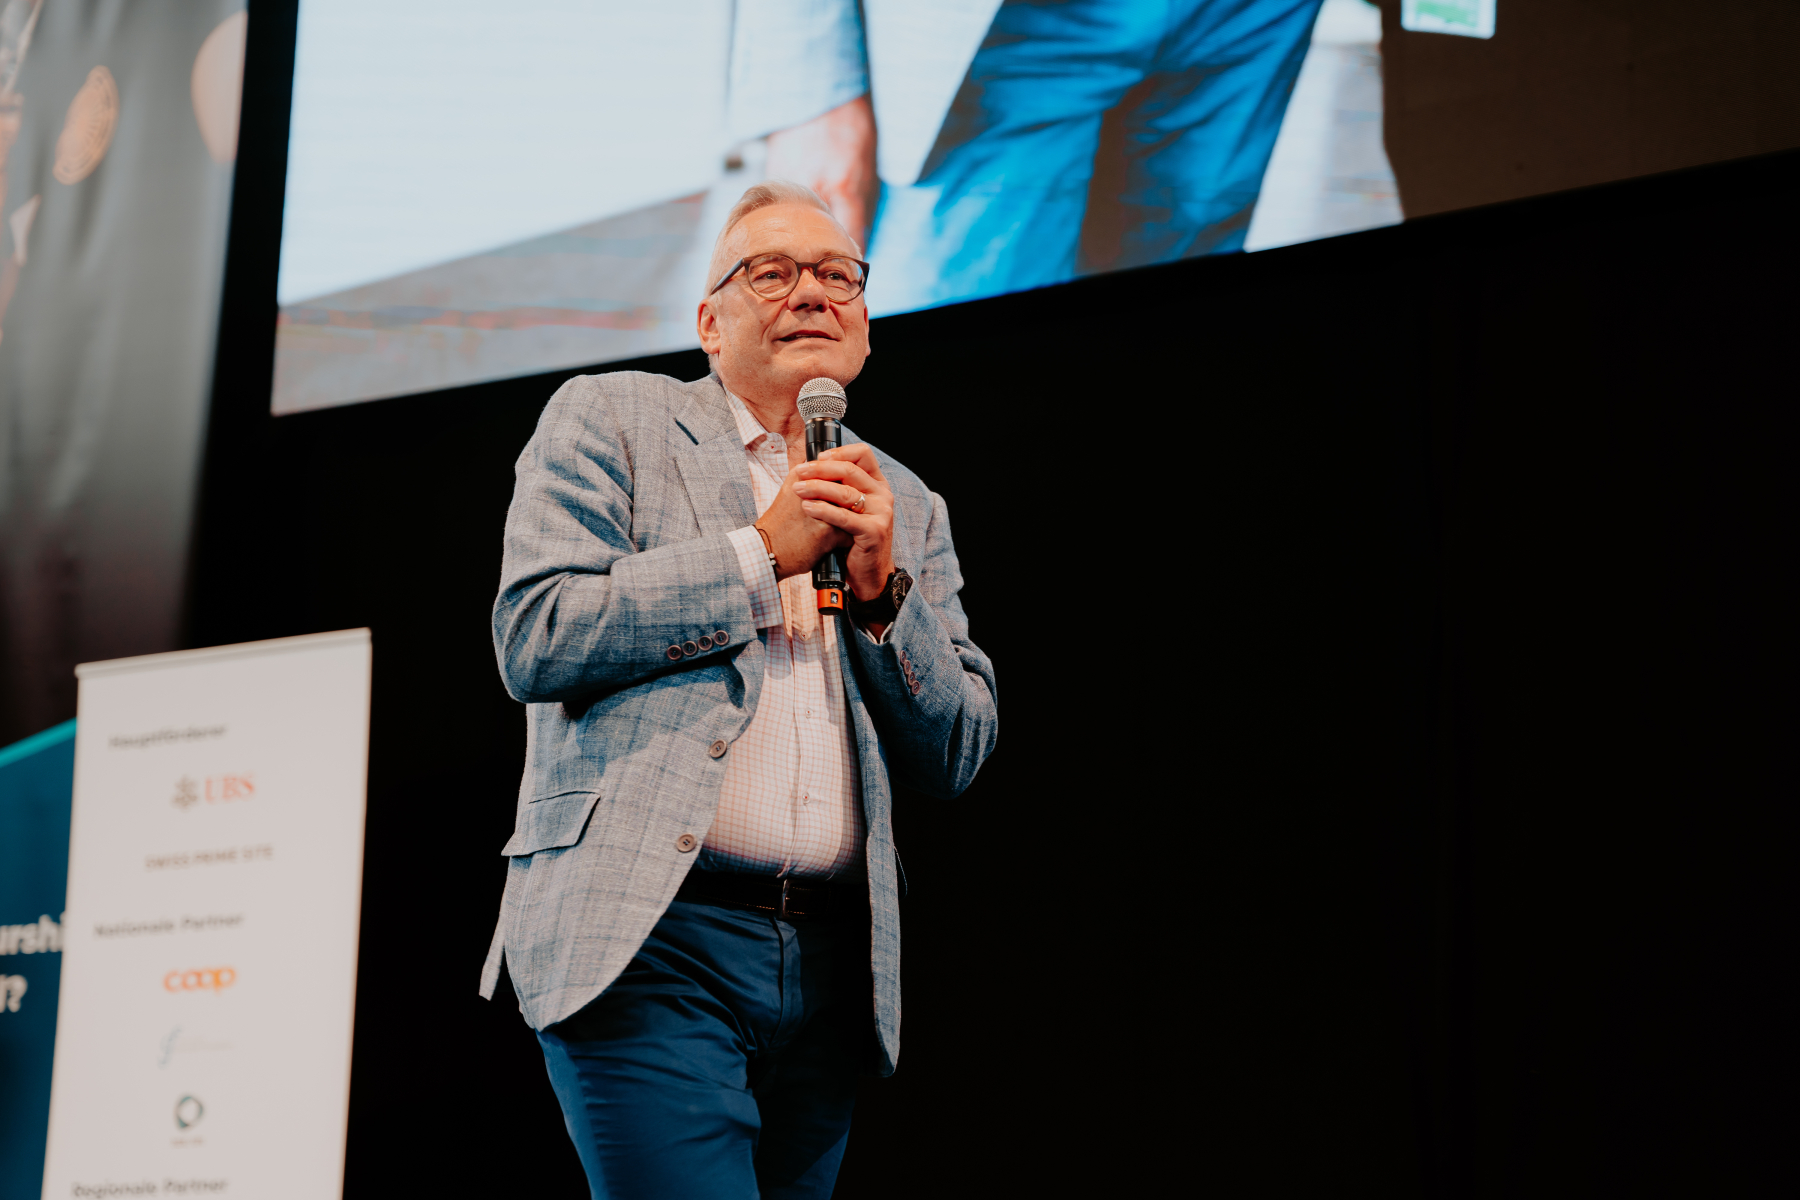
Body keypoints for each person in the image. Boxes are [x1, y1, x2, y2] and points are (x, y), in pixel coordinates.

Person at [479, 179, 998, 1199]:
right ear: (710, 323)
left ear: (864, 325)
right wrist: (760, 555)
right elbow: (538, 632)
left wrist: (882, 597)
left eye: (838, 275)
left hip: (833, 964)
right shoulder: (612, 418)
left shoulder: (905, 501)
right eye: (772, 273)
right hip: (653, 936)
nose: (812, 293)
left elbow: (958, 748)